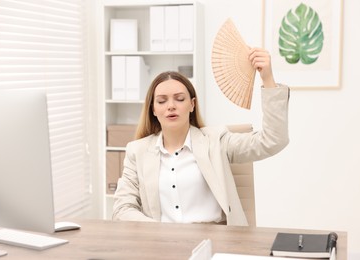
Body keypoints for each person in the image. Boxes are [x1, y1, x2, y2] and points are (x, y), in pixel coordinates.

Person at [112, 47, 289, 226]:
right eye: (162, 101)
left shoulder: (216, 141)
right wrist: (160, 230)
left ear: (192, 105)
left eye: (180, 99)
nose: (171, 106)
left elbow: (273, 140)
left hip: (214, 244)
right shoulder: (137, 151)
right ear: (153, 109)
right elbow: (122, 208)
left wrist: (268, 79)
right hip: (163, 244)